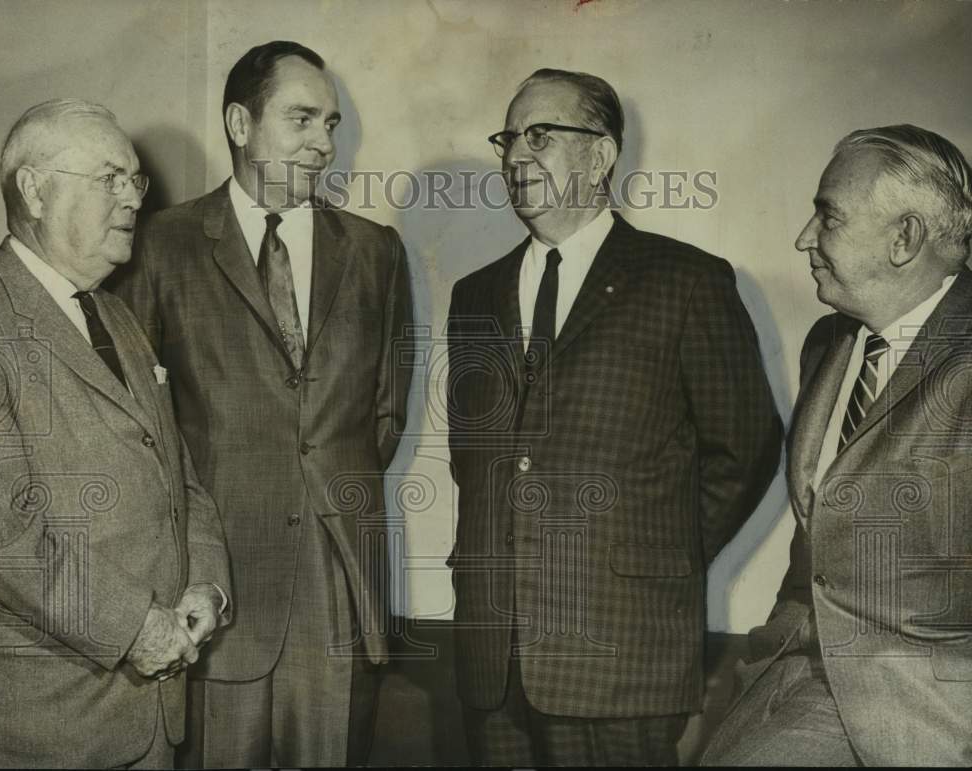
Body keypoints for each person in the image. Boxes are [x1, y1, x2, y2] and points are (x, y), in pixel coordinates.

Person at [446, 68, 783, 766]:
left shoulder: (686, 281)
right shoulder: (473, 296)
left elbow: (746, 447)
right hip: (493, 659)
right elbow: (473, 459)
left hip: (622, 654)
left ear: (600, 155)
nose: (515, 156)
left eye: (540, 135)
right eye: (508, 138)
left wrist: (654, 551)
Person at [112, 41, 413, 767]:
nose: (324, 143)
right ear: (241, 124)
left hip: (336, 577)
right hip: (215, 586)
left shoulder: (375, 252)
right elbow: (136, 421)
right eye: (303, 118)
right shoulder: (162, 244)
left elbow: (384, 412)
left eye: (332, 124)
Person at [701, 124, 972, 766]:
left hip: (936, 716)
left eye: (828, 216)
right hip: (793, 684)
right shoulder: (829, 340)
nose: (803, 237)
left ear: (904, 238)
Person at [0, 98, 231, 768]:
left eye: (136, 180)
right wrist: (132, 626)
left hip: (152, 716)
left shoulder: (118, 317)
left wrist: (206, 582)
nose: (132, 199)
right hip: (46, 723)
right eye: (110, 177)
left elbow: (179, 474)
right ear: (34, 188)